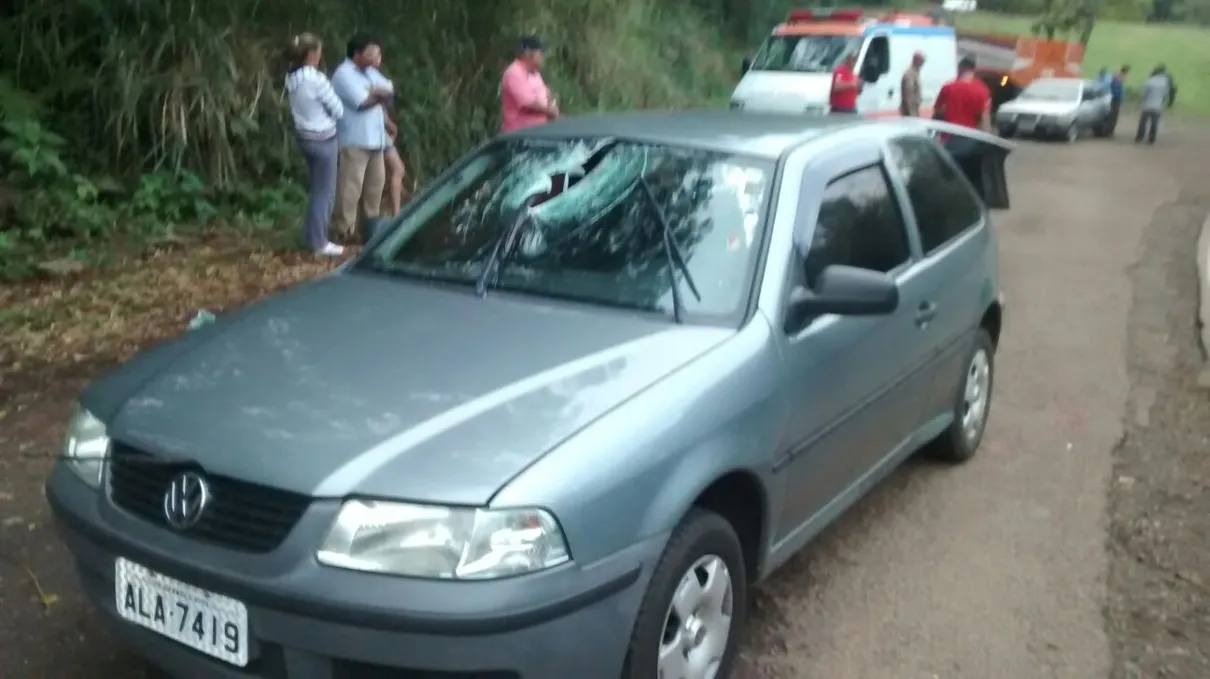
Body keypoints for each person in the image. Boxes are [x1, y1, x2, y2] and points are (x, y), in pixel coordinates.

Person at [284, 33, 345, 257]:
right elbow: (338, 109)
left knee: (317, 190)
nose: (321, 54)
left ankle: (311, 236)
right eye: (318, 51)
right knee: (325, 192)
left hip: (304, 137)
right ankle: (320, 242)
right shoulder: (316, 79)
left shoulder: (292, 77)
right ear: (311, 54)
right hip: (323, 139)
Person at [330, 34, 394, 242]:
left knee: (375, 187)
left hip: (376, 139)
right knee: (350, 188)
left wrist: (375, 91)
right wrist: (376, 93)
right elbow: (362, 102)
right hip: (355, 139)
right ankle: (343, 231)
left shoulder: (371, 73)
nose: (376, 56)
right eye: (371, 52)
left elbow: (390, 89)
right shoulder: (343, 74)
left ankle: (370, 231)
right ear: (358, 54)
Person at [366, 50, 407, 217]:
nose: (379, 58)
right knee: (398, 169)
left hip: (376, 130)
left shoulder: (370, 76)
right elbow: (375, 106)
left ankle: (395, 210)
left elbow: (380, 102)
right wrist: (389, 124)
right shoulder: (367, 77)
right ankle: (396, 214)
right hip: (374, 131)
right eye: (376, 54)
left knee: (390, 172)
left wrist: (390, 124)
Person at [500, 35, 558, 133]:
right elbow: (528, 103)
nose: (542, 57)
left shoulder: (535, 73)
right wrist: (550, 111)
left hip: (539, 130)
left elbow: (546, 94)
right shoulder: (514, 73)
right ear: (527, 53)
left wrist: (552, 105)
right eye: (540, 53)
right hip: (520, 134)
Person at [934, 56, 991, 132]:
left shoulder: (947, 87)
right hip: (970, 136)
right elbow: (985, 119)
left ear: (961, 67)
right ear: (974, 69)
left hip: (948, 135)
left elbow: (937, 111)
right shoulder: (983, 90)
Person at [1136, 65, 1171, 144]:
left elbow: (1143, 93)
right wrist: (1163, 103)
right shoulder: (1165, 82)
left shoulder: (1149, 81)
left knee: (1143, 122)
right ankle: (1151, 139)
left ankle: (1140, 137)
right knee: (1154, 123)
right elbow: (1165, 94)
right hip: (1157, 106)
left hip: (1147, 105)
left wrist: (1141, 101)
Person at [900, 51, 925, 117]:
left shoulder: (915, 73)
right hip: (910, 110)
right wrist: (910, 112)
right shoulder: (910, 74)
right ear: (917, 61)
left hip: (914, 108)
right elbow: (908, 94)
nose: (922, 64)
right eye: (921, 61)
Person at [1106, 65, 1129, 137]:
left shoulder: (1117, 80)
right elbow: (1116, 92)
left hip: (1115, 100)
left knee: (1113, 116)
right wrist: (1121, 98)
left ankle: (1110, 131)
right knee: (1113, 116)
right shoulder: (1117, 81)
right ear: (1123, 73)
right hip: (1115, 101)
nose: (1126, 77)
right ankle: (1109, 132)